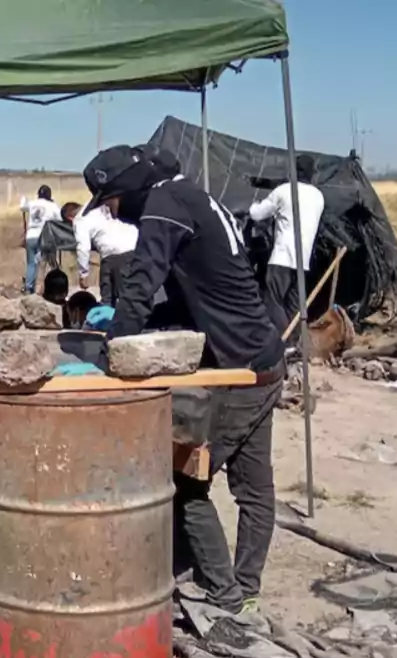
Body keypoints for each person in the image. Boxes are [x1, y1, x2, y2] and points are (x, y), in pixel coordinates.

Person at [86, 144, 286, 615]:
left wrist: (113, 347)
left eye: (111, 203)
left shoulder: (163, 207)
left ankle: (223, 595)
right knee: (253, 489)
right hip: (263, 355)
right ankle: (245, 586)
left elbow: (141, 279)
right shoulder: (191, 197)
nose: (113, 215)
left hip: (240, 369)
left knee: (184, 483)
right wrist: (143, 320)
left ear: (128, 189)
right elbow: (187, 295)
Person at [249, 154, 325, 337]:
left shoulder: (283, 191)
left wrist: (253, 203)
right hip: (303, 261)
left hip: (282, 257)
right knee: (294, 305)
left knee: (273, 300)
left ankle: (283, 341)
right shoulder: (318, 196)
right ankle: (297, 343)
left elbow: (257, 215)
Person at [73, 200, 139, 306]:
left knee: (109, 300)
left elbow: (83, 247)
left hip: (111, 257)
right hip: (134, 251)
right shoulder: (112, 202)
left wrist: (84, 273)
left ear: (69, 218)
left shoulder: (81, 218)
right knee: (132, 298)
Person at [20, 185, 62, 294]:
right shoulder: (52, 205)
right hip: (44, 237)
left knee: (31, 264)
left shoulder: (33, 203)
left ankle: (29, 288)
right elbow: (60, 217)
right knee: (41, 264)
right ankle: (40, 290)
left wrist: (24, 198)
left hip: (30, 236)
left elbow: (22, 207)